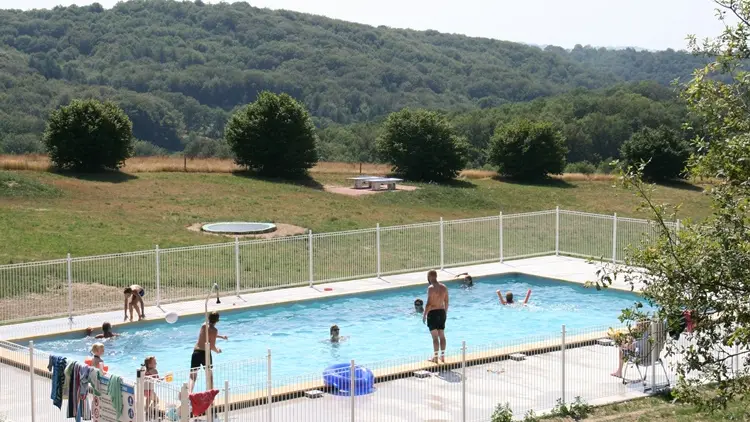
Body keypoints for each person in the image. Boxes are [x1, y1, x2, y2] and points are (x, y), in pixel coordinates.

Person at [189, 312, 228, 393]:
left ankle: (189, 393)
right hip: (205, 354)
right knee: (209, 376)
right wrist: (217, 351)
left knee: (193, 376)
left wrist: (221, 337)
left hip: (196, 352)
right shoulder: (214, 330)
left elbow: (208, 334)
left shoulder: (203, 326)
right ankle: (210, 396)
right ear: (217, 320)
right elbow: (212, 346)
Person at [423, 269, 449, 363]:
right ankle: (442, 356)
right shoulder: (444, 287)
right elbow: (446, 301)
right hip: (442, 312)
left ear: (429, 277)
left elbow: (429, 303)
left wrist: (424, 315)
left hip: (433, 313)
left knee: (435, 337)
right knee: (442, 335)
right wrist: (445, 312)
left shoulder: (430, 288)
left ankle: (435, 358)